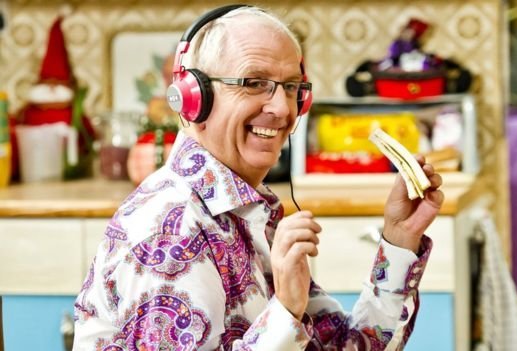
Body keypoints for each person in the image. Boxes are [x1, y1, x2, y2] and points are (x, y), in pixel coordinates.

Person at [73, 5, 444, 350]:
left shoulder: (250, 210)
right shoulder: (168, 230)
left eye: (291, 87)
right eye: (253, 83)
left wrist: (400, 240)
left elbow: (347, 345)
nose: (282, 108)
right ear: (193, 97)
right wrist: (284, 310)